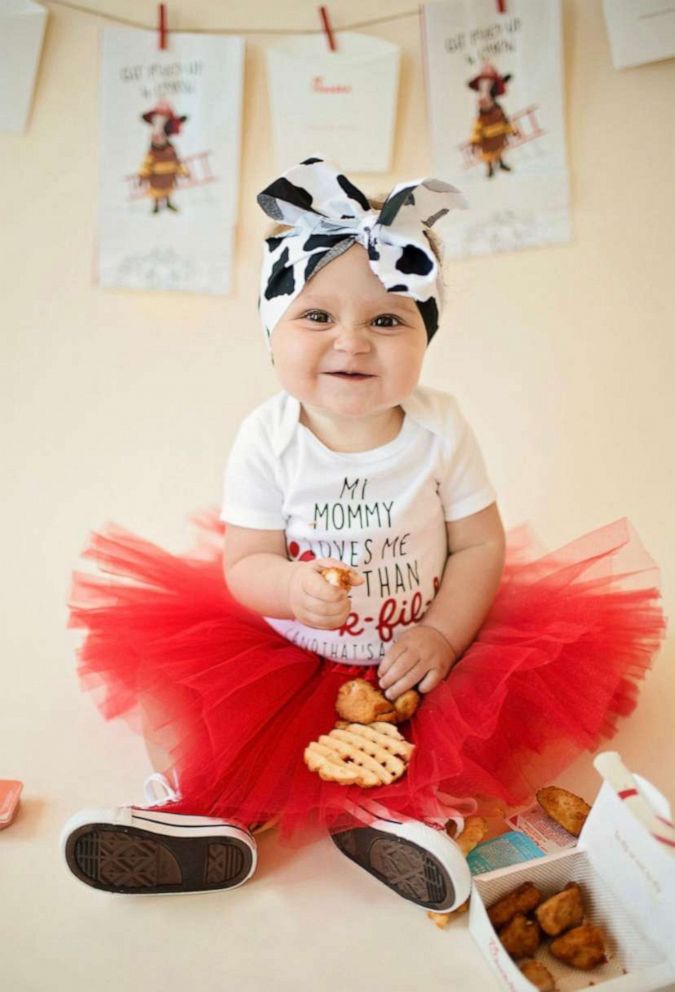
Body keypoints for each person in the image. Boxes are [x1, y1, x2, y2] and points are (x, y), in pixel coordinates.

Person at [61, 156, 666, 909]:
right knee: (214, 719)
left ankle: (405, 823)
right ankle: (196, 814)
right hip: (287, 650)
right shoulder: (267, 438)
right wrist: (287, 586)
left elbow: (479, 544)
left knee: (451, 736)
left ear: (425, 335)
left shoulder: (439, 427)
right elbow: (244, 560)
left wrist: (444, 635)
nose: (351, 342)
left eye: (386, 319)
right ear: (272, 332)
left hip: (420, 653)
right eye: (316, 317)